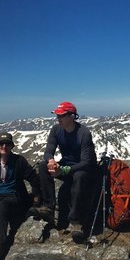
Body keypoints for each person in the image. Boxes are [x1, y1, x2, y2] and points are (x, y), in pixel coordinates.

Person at [37, 101, 101, 240]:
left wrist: (63, 170)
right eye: (57, 116)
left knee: (78, 177)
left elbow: (87, 162)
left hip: (83, 169)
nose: (58, 119)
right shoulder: (56, 130)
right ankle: (49, 206)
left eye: (62, 116)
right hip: (67, 166)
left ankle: (76, 221)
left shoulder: (83, 133)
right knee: (43, 166)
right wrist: (51, 162)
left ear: (72, 116)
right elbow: (48, 151)